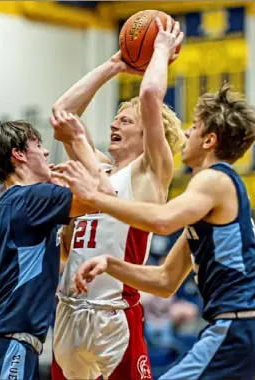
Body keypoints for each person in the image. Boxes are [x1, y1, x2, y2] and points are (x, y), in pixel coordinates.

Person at [54, 83, 255, 380]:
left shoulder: (209, 180)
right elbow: (165, 281)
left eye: (196, 127)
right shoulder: (204, 205)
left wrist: (157, 49)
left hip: (230, 323)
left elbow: (162, 221)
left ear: (209, 139)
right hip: (72, 308)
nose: (187, 133)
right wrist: (110, 264)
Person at [50, 17, 184, 380]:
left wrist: (159, 50)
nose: (114, 125)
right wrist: (113, 65)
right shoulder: (97, 171)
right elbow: (63, 115)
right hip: (68, 312)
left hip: (113, 316)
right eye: (115, 119)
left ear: (150, 134)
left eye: (125, 121)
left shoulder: (150, 172)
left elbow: (150, 96)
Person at [0, 120, 109, 380]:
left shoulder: (17, 201)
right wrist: (79, 143)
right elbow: (103, 196)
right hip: (9, 339)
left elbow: (63, 252)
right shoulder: (31, 198)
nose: (46, 153)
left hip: (4, 341)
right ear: (19, 154)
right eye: (39, 145)